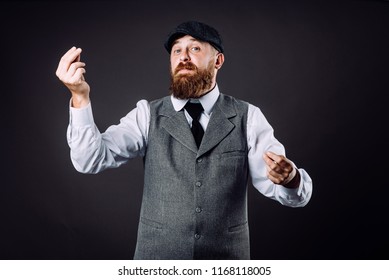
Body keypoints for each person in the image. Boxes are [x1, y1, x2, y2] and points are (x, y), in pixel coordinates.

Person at [56, 20, 313, 260]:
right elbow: (89, 160)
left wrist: (290, 178)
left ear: (218, 60)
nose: (184, 57)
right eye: (177, 51)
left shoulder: (249, 117)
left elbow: (291, 193)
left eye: (195, 48)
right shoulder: (147, 115)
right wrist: (80, 96)